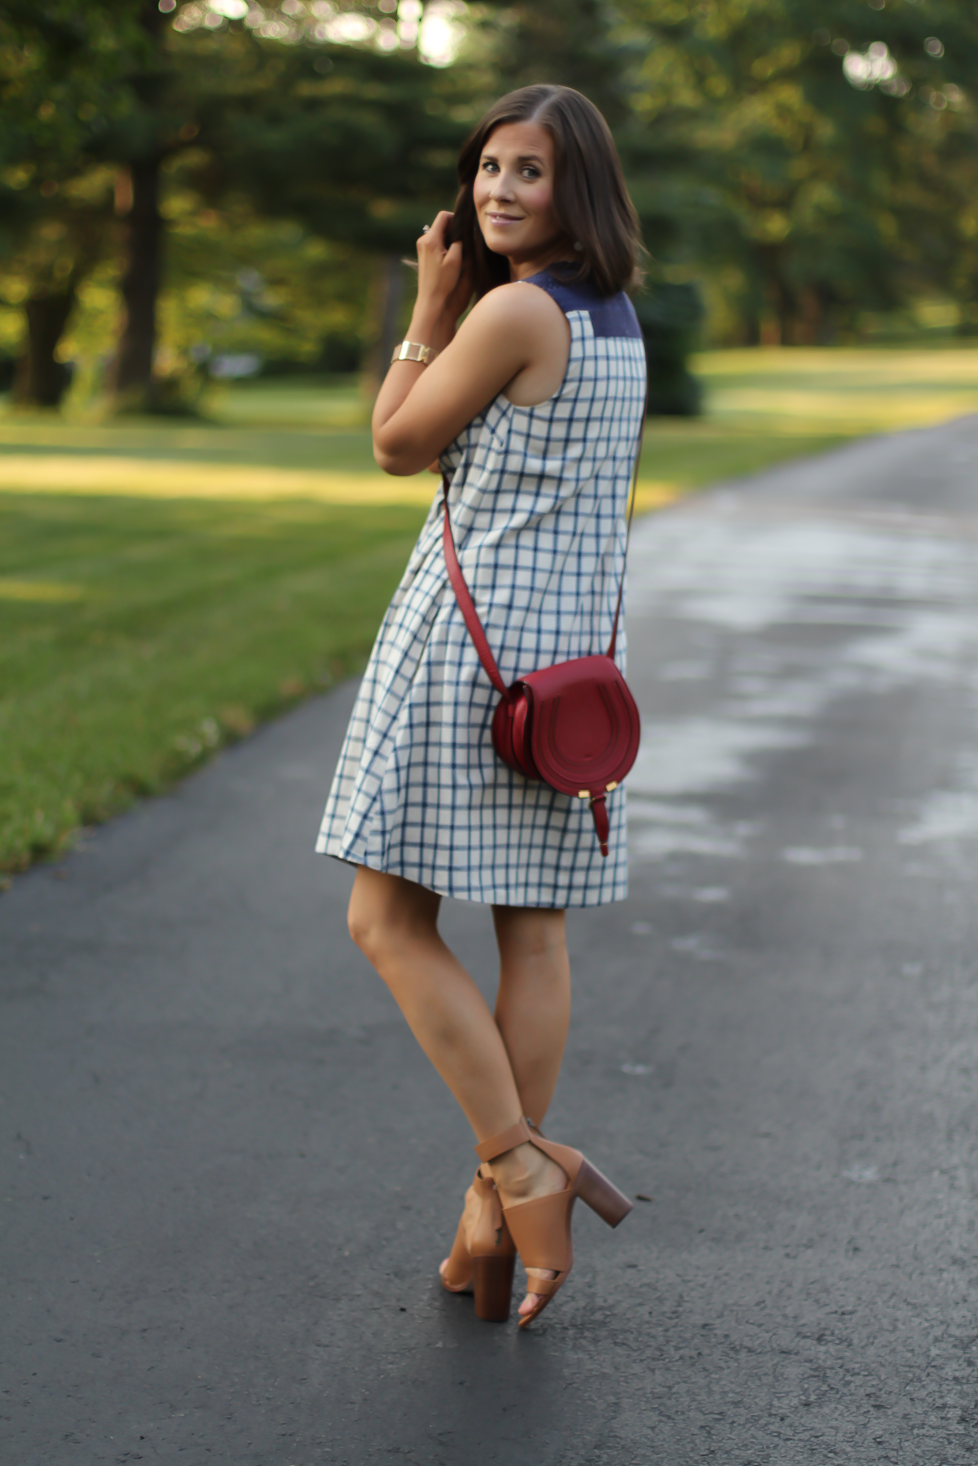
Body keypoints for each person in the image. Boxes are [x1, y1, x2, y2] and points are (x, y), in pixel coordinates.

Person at [315, 83, 646, 1328]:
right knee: (535, 934)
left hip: (467, 653)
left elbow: (398, 444)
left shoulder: (507, 309)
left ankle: (519, 1168)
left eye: (531, 173)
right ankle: (487, 1219)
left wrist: (425, 312)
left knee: (384, 919)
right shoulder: (613, 317)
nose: (501, 192)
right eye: (491, 167)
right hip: (565, 677)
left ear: (580, 190)